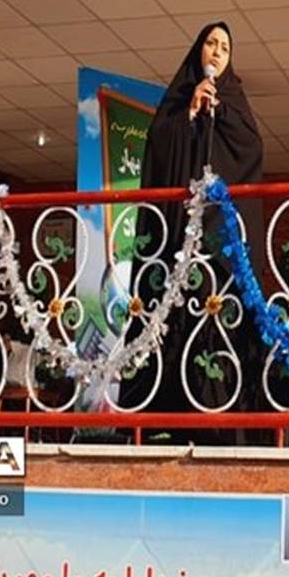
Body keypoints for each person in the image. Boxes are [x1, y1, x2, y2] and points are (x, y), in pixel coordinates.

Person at [120, 22, 265, 425]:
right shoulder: (178, 101)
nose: (217, 52)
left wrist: (223, 116)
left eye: (224, 47)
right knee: (171, 314)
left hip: (217, 245)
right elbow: (158, 149)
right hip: (176, 236)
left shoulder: (234, 102)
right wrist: (188, 114)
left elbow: (252, 150)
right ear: (198, 51)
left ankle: (216, 416)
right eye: (211, 43)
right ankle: (160, 416)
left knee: (214, 321)